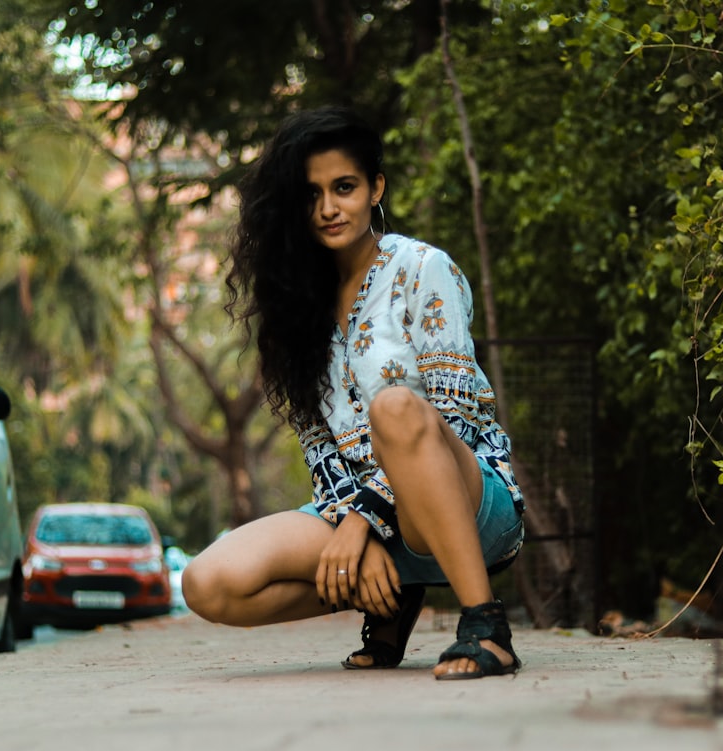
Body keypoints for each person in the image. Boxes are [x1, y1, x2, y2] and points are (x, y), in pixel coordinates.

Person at [182, 106, 525, 679]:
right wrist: (354, 532)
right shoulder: (296, 304)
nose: (327, 208)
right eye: (311, 194)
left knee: (395, 406)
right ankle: (389, 597)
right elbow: (320, 448)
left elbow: (455, 417)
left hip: (469, 504)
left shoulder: (421, 269)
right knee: (210, 584)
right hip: (360, 517)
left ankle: (486, 627)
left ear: (375, 189)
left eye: (344, 188)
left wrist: (365, 522)